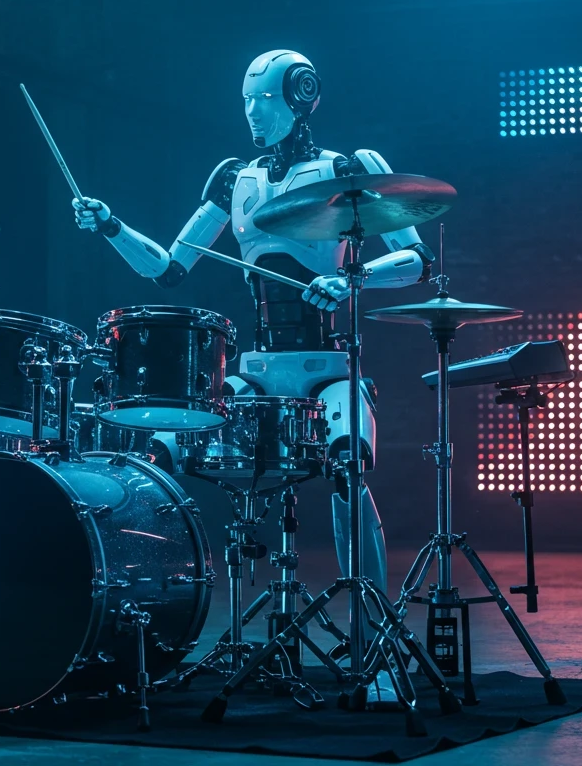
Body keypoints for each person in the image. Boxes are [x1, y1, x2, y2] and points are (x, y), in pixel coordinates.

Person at [72, 50, 433, 688]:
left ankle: (373, 641)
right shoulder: (232, 177)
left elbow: (417, 261)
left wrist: (351, 279)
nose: (252, 115)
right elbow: (169, 268)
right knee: (160, 447)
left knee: (348, 466)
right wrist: (111, 226)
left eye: (263, 102)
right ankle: (151, 618)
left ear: (301, 96)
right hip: (259, 370)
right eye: (245, 104)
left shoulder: (350, 170)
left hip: (329, 368)